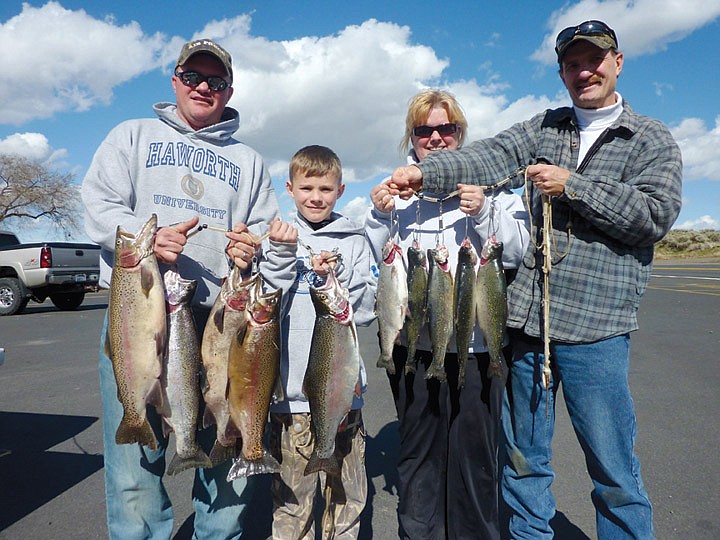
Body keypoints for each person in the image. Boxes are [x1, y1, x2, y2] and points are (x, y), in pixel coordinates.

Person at [389, 21, 682, 540]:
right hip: (528, 327)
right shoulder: (545, 128)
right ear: (562, 72)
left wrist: (574, 186)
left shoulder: (651, 138)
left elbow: (655, 216)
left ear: (617, 62)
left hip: (597, 329)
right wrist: (424, 175)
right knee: (524, 467)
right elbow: (487, 156)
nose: (583, 71)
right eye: (572, 64)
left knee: (613, 470)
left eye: (594, 60)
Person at [81, 38, 297, 539]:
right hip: (139, 316)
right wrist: (149, 236)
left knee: (225, 462)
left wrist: (251, 249)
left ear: (229, 89)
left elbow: (262, 230)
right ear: (175, 79)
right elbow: (98, 204)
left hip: (221, 321)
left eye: (216, 81)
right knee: (134, 472)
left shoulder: (248, 161)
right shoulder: (130, 136)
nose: (204, 87)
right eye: (193, 77)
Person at [365, 89, 530, 540]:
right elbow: (374, 269)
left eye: (446, 129)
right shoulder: (393, 197)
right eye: (424, 130)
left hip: (477, 349)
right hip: (414, 347)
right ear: (411, 139)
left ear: (461, 135)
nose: (435, 138)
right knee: (418, 456)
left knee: (475, 459)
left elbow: (515, 254)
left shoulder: (496, 192)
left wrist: (481, 213)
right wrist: (379, 218)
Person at [268, 145, 377, 540]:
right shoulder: (277, 239)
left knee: (347, 500)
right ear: (290, 189)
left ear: (341, 190)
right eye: (307, 187)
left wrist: (340, 283)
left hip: (343, 397)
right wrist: (281, 255)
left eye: (326, 189)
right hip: (291, 397)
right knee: (293, 503)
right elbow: (266, 301)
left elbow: (365, 313)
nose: (316, 197)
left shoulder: (354, 240)